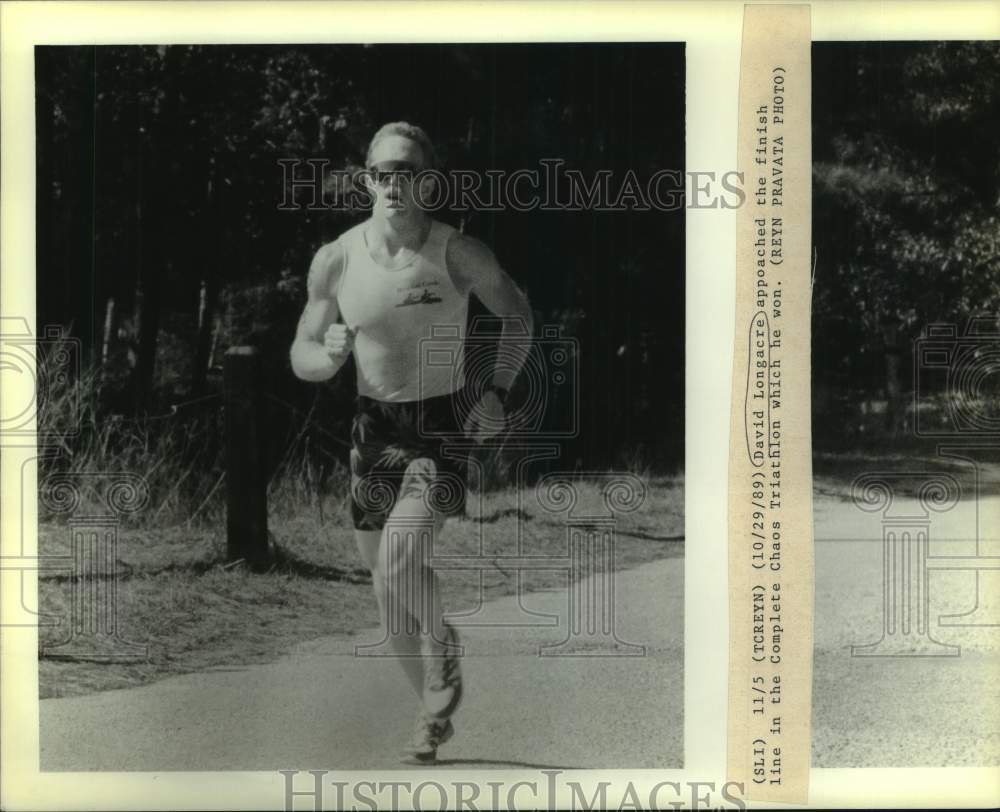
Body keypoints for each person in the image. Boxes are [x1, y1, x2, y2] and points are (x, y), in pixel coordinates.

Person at [289, 122, 533, 763]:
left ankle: (443, 640)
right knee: (382, 584)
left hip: (441, 427)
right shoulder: (336, 259)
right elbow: (302, 353)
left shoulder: (460, 253)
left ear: (428, 181)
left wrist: (497, 389)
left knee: (399, 561)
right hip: (373, 431)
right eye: (382, 173)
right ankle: (430, 714)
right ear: (366, 179)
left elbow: (519, 316)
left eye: (408, 172)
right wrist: (328, 356)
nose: (395, 184)